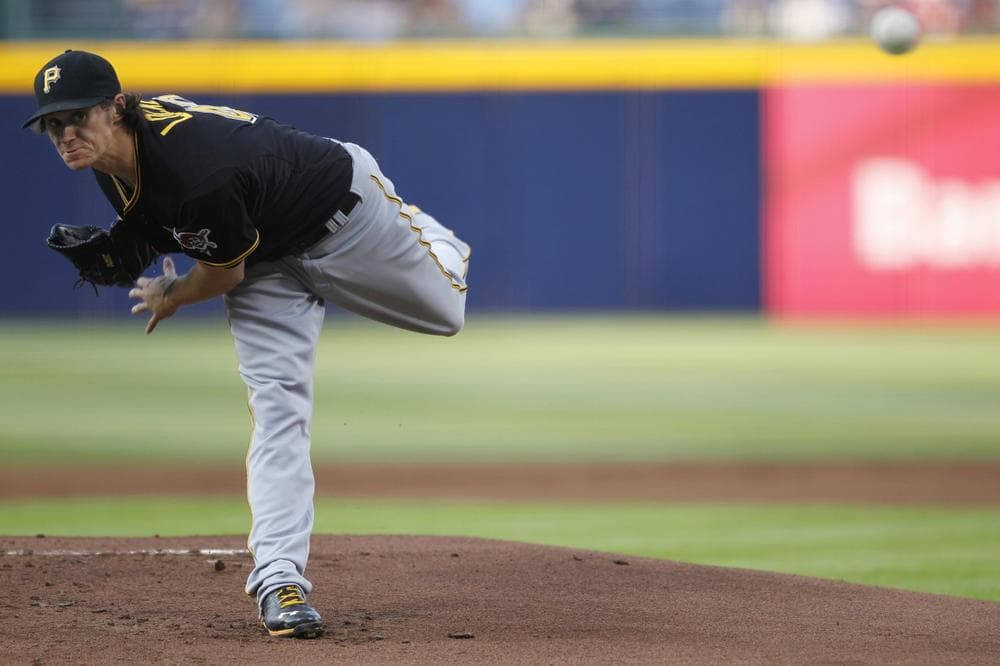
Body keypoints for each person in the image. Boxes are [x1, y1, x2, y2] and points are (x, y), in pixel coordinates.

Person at [24, 49, 471, 639]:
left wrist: (172, 294)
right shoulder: (115, 160)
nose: (66, 134)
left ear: (118, 107)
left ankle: (425, 233)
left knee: (447, 313)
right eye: (54, 124)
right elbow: (200, 240)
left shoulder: (194, 173)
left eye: (78, 117)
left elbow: (219, 274)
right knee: (277, 407)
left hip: (343, 218)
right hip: (261, 257)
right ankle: (278, 578)